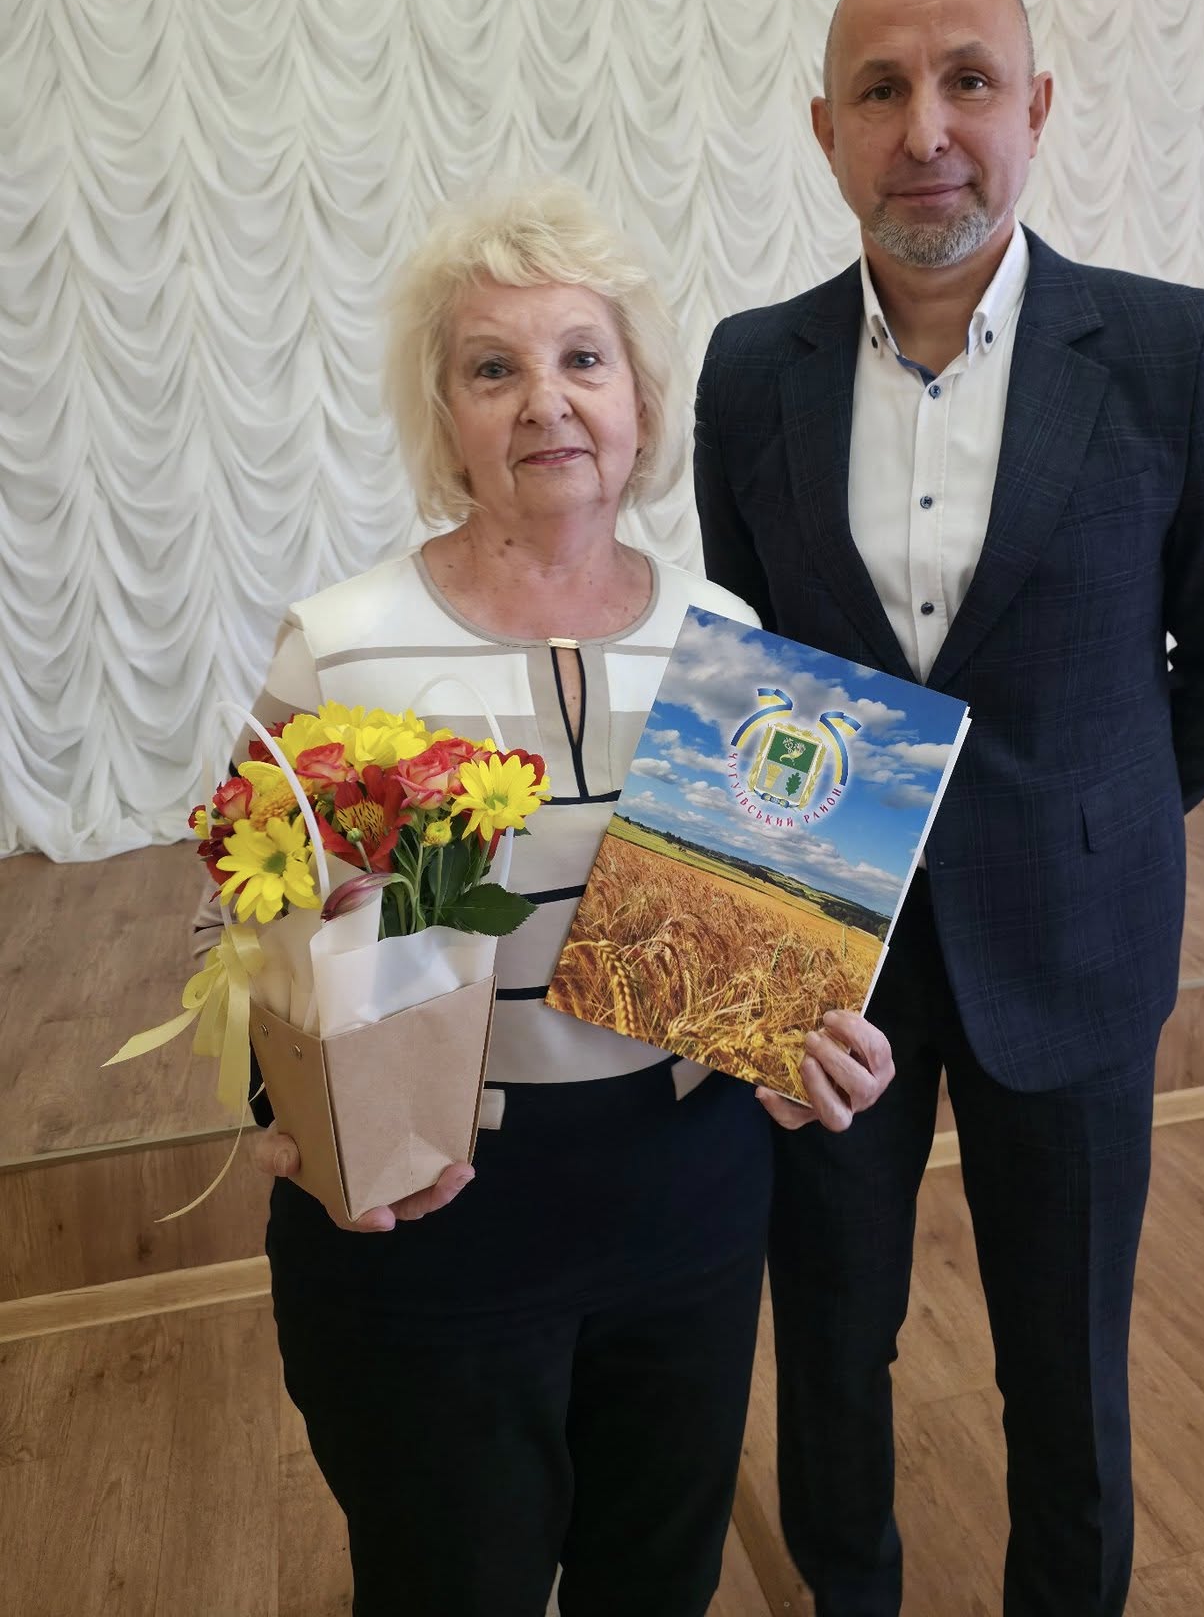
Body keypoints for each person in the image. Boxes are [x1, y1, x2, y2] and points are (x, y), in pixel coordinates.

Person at [694, 0, 1204, 1616]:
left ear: (1034, 107)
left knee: (1066, 1365)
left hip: (1079, 942)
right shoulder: (748, 369)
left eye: (968, 82)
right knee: (828, 1346)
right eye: (881, 90)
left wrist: (1096, 817)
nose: (927, 130)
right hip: (826, 954)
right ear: (825, 128)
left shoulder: (1172, 353)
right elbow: (755, 656)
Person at [232, 184, 894, 1617]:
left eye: (583, 358)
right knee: (448, 1581)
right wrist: (293, 1117)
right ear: (447, 417)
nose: (547, 400)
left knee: (655, 1578)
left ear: (639, 402)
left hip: (687, 1196)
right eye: (495, 368)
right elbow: (254, 921)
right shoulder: (340, 647)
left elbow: (753, 965)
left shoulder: (730, 644)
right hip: (437, 1204)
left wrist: (801, 1048)